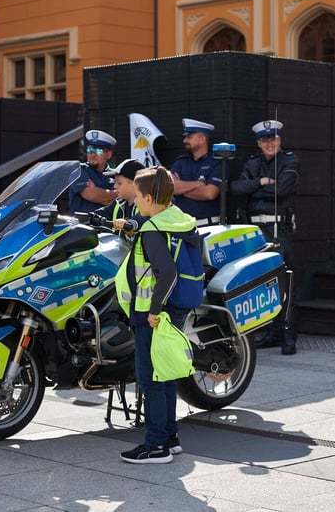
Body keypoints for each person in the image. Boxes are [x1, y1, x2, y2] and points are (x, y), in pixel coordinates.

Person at [115, 166, 202, 464]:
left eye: (138, 197)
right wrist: (130, 223)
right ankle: (169, 437)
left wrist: (153, 311)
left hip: (152, 312)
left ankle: (155, 445)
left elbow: (166, 273)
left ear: (150, 197)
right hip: (174, 307)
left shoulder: (153, 230)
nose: (135, 202)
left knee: (150, 377)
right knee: (164, 373)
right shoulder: (176, 218)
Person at [230, 119, 300, 355]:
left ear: (280, 140)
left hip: (280, 229)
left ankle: (289, 335)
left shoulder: (290, 160)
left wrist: (254, 190)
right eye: (264, 139)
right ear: (259, 143)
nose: (269, 143)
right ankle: (272, 332)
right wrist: (260, 182)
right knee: (265, 283)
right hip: (256, 231)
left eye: (273, 138)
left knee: (285, 282)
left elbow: (282, 190)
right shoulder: (253, 163)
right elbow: (236, 188)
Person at [170, 118, 222, 226]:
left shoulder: (217, 162)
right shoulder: (181, 162)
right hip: (182, 227)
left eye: (189, 137)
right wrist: (199, 184)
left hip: (209, 226)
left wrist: (182, 190)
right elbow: (170, 188)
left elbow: (210, 193)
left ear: (202, 139)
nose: (185, 141)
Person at [68, 130, 118, 214]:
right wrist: (117, 194)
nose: (93, 155)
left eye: (98, 151)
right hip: (81, 225)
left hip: (106, 225)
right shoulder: (78, 170)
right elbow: (92, 195)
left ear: (109, 154)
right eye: (90, 150)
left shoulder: (116, 175)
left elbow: (123, 200)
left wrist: (98, 192)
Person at [96, 158, 144, 224]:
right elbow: (98, 215)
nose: (114, 186)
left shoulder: (145, 206)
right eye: (115, 182)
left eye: (119, 183)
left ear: (134, 184)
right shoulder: (118, 203)